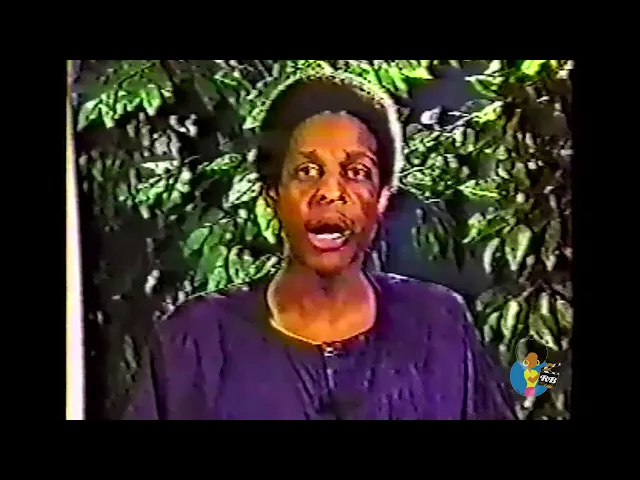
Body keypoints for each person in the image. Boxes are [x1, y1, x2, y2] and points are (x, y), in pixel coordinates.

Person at [124, 71, 517, 420]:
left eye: (357, 172)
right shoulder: (194, 342)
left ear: (382, 198)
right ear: (273, 194)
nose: (330, 191)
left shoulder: (439, 325)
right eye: (307, 171)